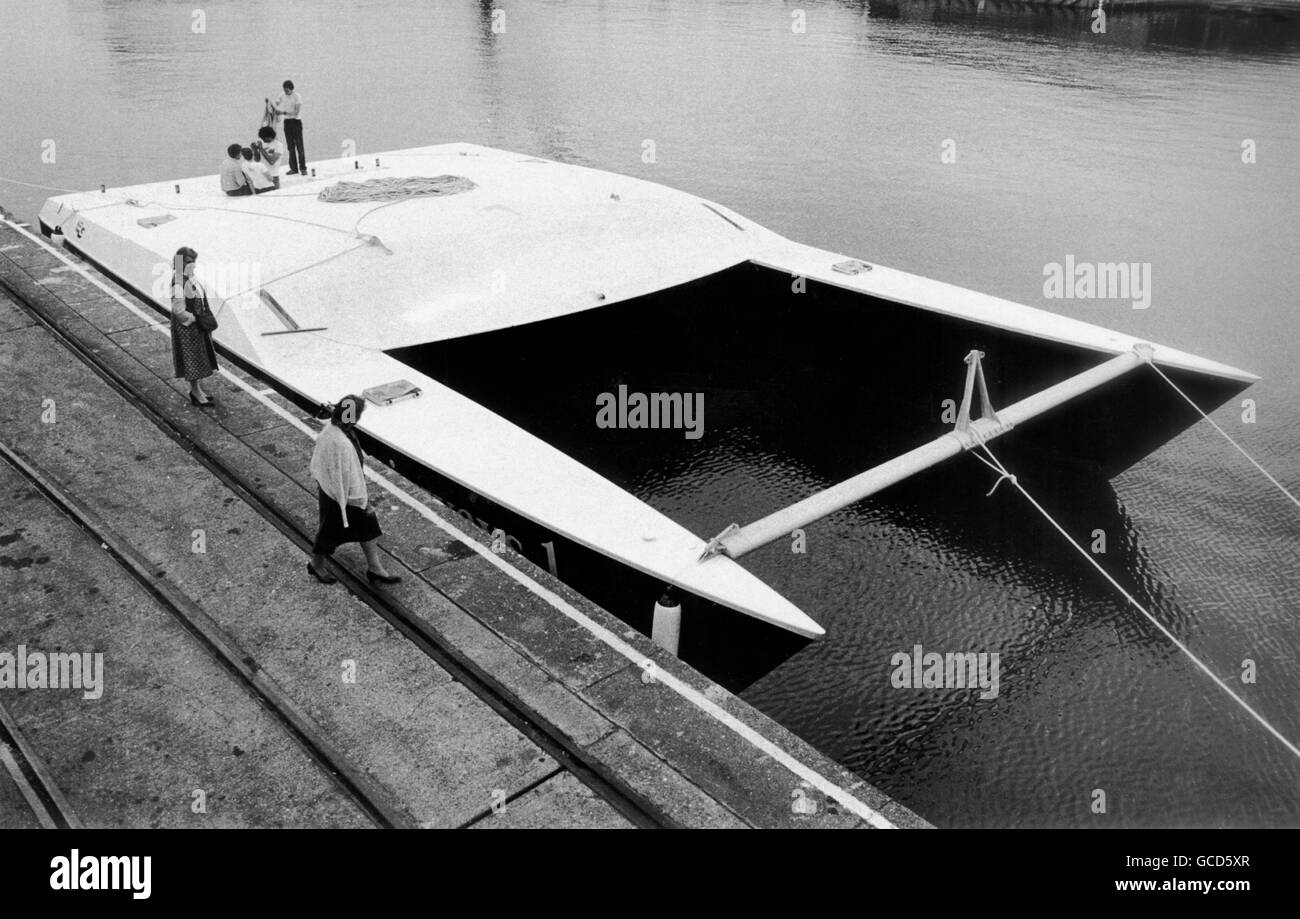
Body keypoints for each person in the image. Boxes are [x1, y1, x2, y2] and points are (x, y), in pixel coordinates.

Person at [307, 395, 401, 586]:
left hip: (332, 489)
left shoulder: (332, 430)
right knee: (329, 533)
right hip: (342, 496)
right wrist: (362, 503)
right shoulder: (341, 442)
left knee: (367, 527)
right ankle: (316, 564)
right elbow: (350, 476)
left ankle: (375, 568)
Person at [168, 247, 218, 407]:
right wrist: (195, 318)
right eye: (190, 262)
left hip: (194, 328)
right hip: (188, 329)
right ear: (182, 263)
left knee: (198, 358)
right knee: (192, 360)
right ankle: (195, 392)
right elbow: (179, 310)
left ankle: (197, 390)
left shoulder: (186, 278)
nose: (194, 265)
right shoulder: (179, 282)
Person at [272, 80, 306, 175]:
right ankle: (294, 168)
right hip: (287, 122)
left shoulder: (297, 96)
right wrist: (272, 106)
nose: (285, 92)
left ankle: (303, 168)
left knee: (299, 147)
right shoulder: (282, 95)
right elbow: (275, 104)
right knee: (290, 147)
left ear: (291, 89)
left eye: (287, 90)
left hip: (296, 122)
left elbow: (296, 112)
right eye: (284, 90)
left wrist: (282, 113)